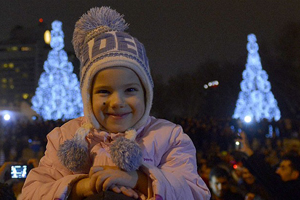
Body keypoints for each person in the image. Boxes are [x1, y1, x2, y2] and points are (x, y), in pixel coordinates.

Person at [21, 6, 210, 200]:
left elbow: (195, 193)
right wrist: (81, 187)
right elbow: (30, 193)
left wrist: (139, 180)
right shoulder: (65, 138)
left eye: (130, 90)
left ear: (146, 93)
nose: (117, 102)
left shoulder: (169, 138)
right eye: (104, 91)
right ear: (88, 96)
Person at [237, 131, 300, 200]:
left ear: (295, 174)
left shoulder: (292, 192)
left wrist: (249, 152)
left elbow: (269, 176)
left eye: (283, 168)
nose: (277, 171)